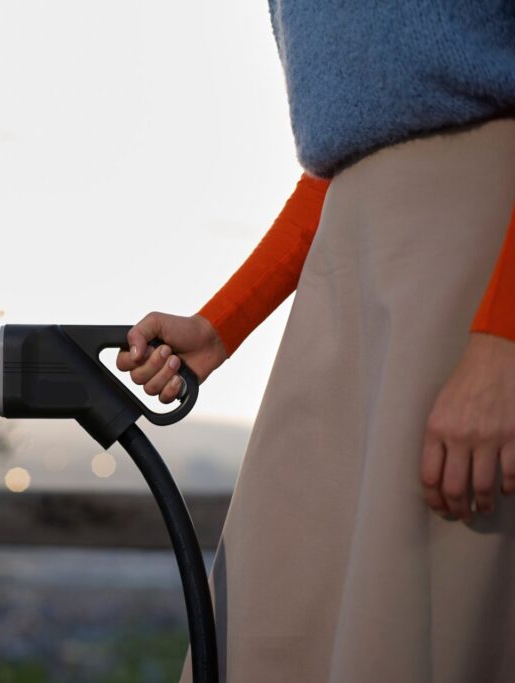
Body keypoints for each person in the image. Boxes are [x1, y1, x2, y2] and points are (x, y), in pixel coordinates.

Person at [116, 3, 515, 681]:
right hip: (346, 283)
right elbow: (345, 153)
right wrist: (220, 324)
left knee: (421, 631)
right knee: (268, 625)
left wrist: (503, 340)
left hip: (476, 265)